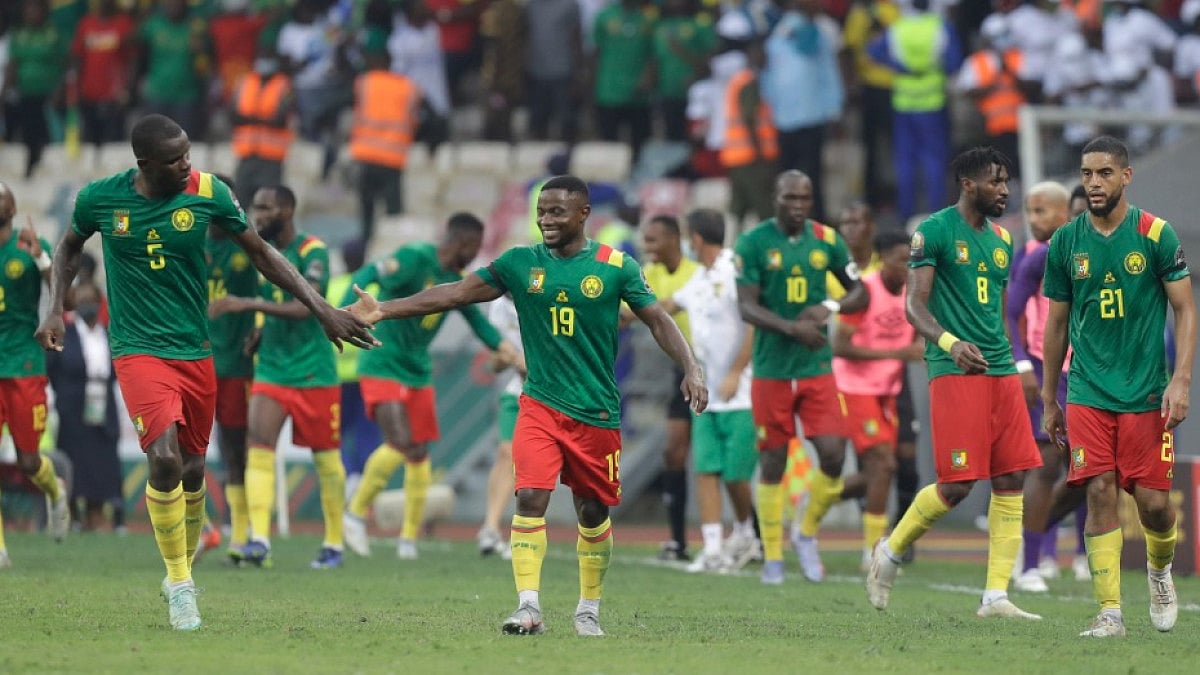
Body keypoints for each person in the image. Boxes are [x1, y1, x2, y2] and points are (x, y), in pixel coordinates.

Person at [35, 114, 375, 631]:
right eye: (175, 160)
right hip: (138, 350)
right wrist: (54, 306)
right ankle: (180, 583)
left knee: (194, 471)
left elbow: (262, 254)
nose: (187, 165)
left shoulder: (209, 193)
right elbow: (66, 247)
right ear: (144, 164)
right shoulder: (99, 199)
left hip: (196, 352)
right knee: (165, 460)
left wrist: (322, 308)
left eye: (188, 154)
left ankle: (182, 568)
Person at [345, 175, 707, 637]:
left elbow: (657, 319)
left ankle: (588, 607)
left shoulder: (615, 265)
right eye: (541, 210)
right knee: (530, 496)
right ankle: (528, 606)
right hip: (539, 403)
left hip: (596, 412)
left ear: (583, 214)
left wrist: (691, 367)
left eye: (557, 211)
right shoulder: (519, 263)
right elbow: (456, 293)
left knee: (593, 513)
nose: (545, 219)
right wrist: (385, 309)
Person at [866, 146, 1042, 620]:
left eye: (1007, 181)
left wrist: (1018, 365)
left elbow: (1000, 313)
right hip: (955, 369)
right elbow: (914, 307)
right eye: (996, 181)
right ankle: (891, 550)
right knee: (959, 483)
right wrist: (950, 343)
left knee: (1011, 477)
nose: (1005, 190)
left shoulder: (1004, 240)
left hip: (1000, 369)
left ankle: (995, 596)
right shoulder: (935, 231)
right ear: (968, 184)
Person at [1041, 135, 1195, 638]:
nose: (1094, 183)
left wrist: (1181, 379)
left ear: (1125, 176)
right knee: (1099, 490)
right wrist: (1049, 395)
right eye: (1087, 174)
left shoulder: (1155, 234)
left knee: (1153, 505)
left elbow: (1185, 309)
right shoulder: (1066, 242)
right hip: (1086, 387)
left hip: (1146, 390)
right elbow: (1056, 325)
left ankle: (1158, 571)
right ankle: (1110, 612)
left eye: (1104, 173)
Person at [341, 213, 514, 561]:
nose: (477, 254)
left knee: (419, 452)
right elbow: (368, 274)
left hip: (417, 370)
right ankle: (354, 513)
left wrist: (504, 347)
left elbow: (477, 321)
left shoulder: (455, 281)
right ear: (463, 243)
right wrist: (341, 312)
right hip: (383, 361)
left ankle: (408, 540)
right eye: (476, 247)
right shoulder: (415, 257)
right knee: (400, 443)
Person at [735, 169, 867, 585]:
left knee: (833, 453)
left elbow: (859, 290)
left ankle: (806, 530)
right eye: (790, 198)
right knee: (772, 461)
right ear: (775, 197)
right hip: (772, 369)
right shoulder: (753, 243)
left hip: (815, 368)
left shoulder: (826, 239)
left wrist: (830, 305)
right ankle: (773, 556)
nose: (797, 206)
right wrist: (793, 328)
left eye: (805, 199)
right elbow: (746, 307)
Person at [207, 185, 348, 570]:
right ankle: (259, 540)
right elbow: (274, 303)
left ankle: (334, 542)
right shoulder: (264, 254)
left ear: (288, 209)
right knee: (259, 447)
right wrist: (262, 327)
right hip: (272, 368)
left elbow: (310, 306)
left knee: (326, 460)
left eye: (265, 208)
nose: (258, 214)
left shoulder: (311, 250)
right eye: (255, 207)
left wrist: (247, 304)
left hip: (313, 370)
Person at [661, 208, 758, 573]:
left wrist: (735, 371)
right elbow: (665, 308)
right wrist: (625, 306)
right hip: (704, 394)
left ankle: (746, 531)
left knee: (735, 474)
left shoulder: (736, 270)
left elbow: (753, 324)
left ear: (696, 238)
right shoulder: (698, 279)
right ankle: (714, 547)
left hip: (741, 392)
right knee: (705, 470)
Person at [831, 230, 922, 569]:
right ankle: (873, 550)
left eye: (911, 260)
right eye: (902, 259)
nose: (908, 266)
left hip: (889, 391)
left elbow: (914, 338)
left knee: (888, 468)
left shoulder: (914, 291)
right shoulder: (864, 291)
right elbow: (839, 345)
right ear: (883, 258)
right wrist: (897, 352)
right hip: (854, 388)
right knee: (883, 464)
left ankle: (822, 498)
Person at [1005, 180, 1072, 593]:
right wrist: (1021, 364)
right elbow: (1008, 312)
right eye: (1029, 212)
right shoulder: (1034, 259)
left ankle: (1043, 543)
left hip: (1089, 375)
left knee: (1091, 471)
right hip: (1048, 373)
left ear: (1067, 214)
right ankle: (1030, 560)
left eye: (1041, 211)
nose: (1033, 220)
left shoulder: (1087, 253)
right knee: (1046, 464)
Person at [0, 181, 70, 564]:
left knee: (28, 461)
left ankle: (55, 491)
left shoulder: (27, 249)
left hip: (23, 364)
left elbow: (66, 297)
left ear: (11, 210)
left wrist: (43, 259)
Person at [202, 173, 259, 564]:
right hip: (194, 363)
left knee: (235, 448)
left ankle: (240, 532)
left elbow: (272, 292)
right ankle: (193, 529)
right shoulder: (189, 245)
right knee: (187, 449)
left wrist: (262, 326)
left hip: (236, 366)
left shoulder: (248, 249)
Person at [640, 214, 700, 562]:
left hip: (712, 368)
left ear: (674, 239)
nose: (647, 247)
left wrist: (639, 311)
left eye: (653, 240)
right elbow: (626, 309)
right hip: (680, 370)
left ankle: (749, 532)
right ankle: (678, 541)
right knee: (673, 452)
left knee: (721, 462)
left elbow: (652, 309)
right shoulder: (652, 274)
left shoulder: (696, 272)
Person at [46, 280, 122, 532]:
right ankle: (73, 516)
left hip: (102, 407)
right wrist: (65, 397)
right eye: (81, 300)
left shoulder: (109, 333)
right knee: (74, 460)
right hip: (73, 408)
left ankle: (97, 514)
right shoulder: (66, 333)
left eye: (91, 300)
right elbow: (53, 369)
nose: (86, 305)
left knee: (101, 462)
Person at [348, 45, 419, 243]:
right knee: (393, 210)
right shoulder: (407, 86)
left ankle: (366, 241)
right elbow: (422, 118)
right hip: (393, 156)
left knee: (367, 208)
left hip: (366, 155)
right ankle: (393, 246)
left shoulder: (364, 82)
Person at [478, 293, 525, 558]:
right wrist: (509, 358)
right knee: (506, 453)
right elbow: (494, 364)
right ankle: (491, 527)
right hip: (518, 391)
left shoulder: (545, 292)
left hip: (555, 392)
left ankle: (525, 532)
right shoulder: (497, 307)